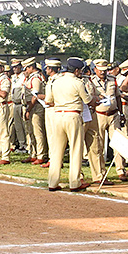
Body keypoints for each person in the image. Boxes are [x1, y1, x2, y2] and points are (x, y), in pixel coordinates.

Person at [45, 58, 92, 192]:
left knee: (56, 150)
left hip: (58, 114)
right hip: (73, 115)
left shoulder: (56, 81)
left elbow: (48, 100)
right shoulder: (78, 82)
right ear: (76, 70)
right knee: (76, 148)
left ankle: (53, 182)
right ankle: (74, 182)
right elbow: (87, 99)